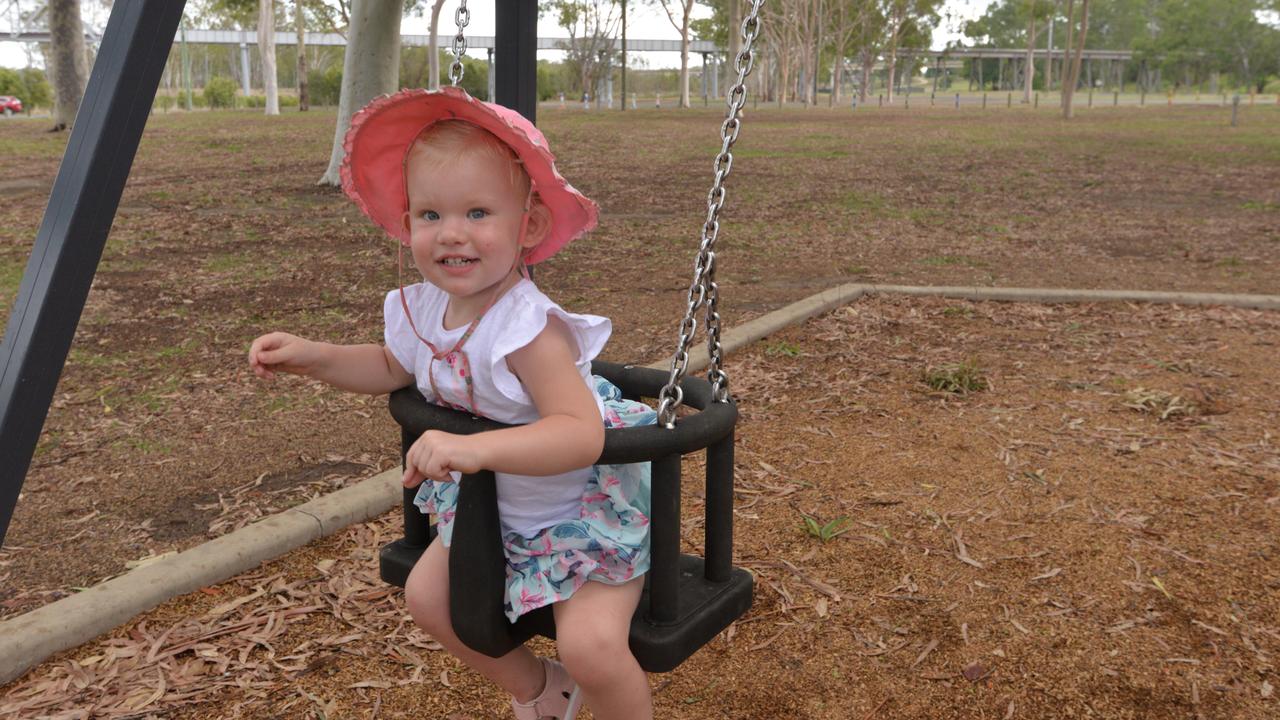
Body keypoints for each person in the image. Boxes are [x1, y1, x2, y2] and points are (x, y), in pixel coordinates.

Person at [248, 86, 655, 720]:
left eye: (478, 213)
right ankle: (541, 691)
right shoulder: (420, 309)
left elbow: (579, 433)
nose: (452, 234)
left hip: (578, 512)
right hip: (491, 509)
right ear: (407, 224)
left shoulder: (529, 328)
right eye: (430, 216)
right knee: (428, 601)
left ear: (530, 226)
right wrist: (318, 356)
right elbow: (391, 366)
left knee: (594, 647)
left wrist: (471, 447)